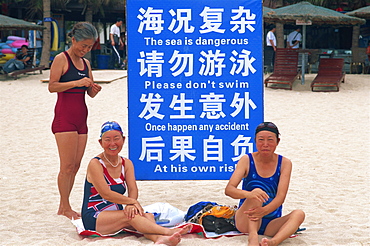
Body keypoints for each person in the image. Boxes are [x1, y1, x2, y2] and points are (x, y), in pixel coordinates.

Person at [81, 121, 192, 245]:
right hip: (95, 216)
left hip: (116, 212)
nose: (112, 144)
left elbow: (133, 189)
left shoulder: (126, 163)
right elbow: (106, 194)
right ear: (100, 142)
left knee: (147, 216)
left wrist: (131, 205)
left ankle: (158, 239)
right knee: (131, 217)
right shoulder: (95, 164)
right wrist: (131, 202)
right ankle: (167, 232)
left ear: (123, 140)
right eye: (107, 140)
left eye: (116, 139)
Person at [48, 22, 102, 220]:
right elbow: (52, 86)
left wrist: (92, 90)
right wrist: (77, 82)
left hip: (81, 119)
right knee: (67, 166)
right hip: (65, 118)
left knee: (76, 165)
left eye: (89, 47)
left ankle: (64, 205)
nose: (86, 50)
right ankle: (65, 206)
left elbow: (88, 92)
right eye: (83, 46)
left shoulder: (86, 64)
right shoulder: (61, 59)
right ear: (73, 40)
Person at [225, 122, 305, 246]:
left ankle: (273, 241)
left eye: (270, 140)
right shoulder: (246, 160)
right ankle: (253, 237)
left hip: (270, 222)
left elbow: (280, 197)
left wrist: (263, 211)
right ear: (255, 141)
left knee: (299, 214)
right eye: (261, 140)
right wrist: (249, 194)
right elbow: (229, 189)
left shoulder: (284, 163)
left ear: (277, 142)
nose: (265, 144)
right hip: (245, 221)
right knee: (257, 193)